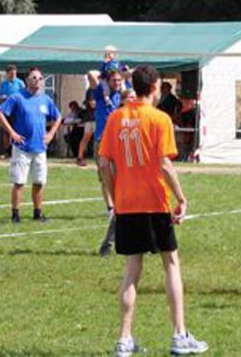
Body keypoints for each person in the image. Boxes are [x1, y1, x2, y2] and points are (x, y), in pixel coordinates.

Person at [98, 65, 208, 356]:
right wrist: (181, 197)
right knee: (170, 263)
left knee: (132, 270)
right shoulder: (160, 119)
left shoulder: (115, 118)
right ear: (156, 86)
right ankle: (179, 334)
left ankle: (124, 339)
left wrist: (113, 197)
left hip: (127, 203)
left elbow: (104, 163)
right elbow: (164, 164)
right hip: (155, 202)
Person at [0, 68, 62, 223]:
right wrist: (12, 133)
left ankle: (37, 213)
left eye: (40, 78)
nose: (37, 81)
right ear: (26, 80)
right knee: (19, 182)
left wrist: (51, 133)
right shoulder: (17, 97)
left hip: (40, 147)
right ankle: (15, 214)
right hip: (22, 147)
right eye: (34, 78)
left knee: (39, 182)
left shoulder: (46, 99)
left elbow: (58, 117)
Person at [88, 69, 124, 256]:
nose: (118, 82)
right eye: (114, 80)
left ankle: (115, 207)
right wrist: (104, 71)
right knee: (104, 176)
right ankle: (110, 207)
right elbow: (90, 74)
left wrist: (123, 71)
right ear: (108, 81)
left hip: (117, 140)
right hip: (102, 140)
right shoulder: (102, 94)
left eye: (120, 80)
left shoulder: (120, 95)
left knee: (118, 178)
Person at [76, 91, 96, 166]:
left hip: (96, 118)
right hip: (92, 118)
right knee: (86, 138)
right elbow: (93, 104)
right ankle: (80, 157)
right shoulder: (91, 91)